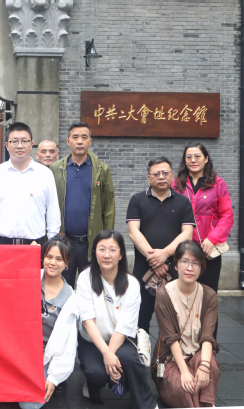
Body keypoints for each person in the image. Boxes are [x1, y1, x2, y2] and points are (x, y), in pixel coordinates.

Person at [76, 230, 157, 409]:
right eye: (102, 249)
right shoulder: (85, 278)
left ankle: (146, 404)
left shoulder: (131, 284)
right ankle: (93, 384)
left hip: (121, 339)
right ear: (94, 252)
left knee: (129, 359)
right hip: (92, 340)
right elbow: (88, 321)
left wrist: (109, 355)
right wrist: (107, 354)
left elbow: (124, 326)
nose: (107, 255)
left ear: (121, 255)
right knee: (96, 373)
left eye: (112, 250)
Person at [127, 157, 195, 333]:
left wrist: (164, 254)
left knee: (175, 320)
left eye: (165, 173)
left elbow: (187, 234)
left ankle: (169, 352)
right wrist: (155, 260)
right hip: (144, 269)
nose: (161, 177)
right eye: (156, 174)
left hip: (175, 269)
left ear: (172, 176)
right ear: (149, 178)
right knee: (140, 318)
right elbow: (133, 232)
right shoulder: (137, 200)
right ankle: (141, 350)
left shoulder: (183, 202)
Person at [152, 240, 220, 408]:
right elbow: (170, 338)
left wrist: (204, 367)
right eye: (185, 261)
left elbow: (208, 336)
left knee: (210, 367)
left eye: (196, 263)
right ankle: (203, 405)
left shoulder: (209, 295)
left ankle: (204, 404)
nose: (190, 268)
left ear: (202, 268)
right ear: (176, 265)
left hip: (197, 354)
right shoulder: (164, 294)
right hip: (171, 359)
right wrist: (184, 371)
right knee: (183, 388)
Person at [50, 121, 115, 287]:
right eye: (75, 137)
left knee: (92, 287)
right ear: (68, 141)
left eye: (84, 137)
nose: (79, 141)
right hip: (64, 241)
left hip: (91, 243)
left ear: (90, 141)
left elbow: (108, 207)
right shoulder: (56, 169)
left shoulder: (101, 170)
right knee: (63, 287)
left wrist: (107, 239)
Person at [19, 236, 78, 409]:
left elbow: (67, 343)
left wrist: (54, 378)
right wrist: (24, 255)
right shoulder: (30, 276)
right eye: (49, 257)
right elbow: (2, 273)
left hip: (44, 354)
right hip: (20, 347)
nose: (52, 263)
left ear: (67, 263)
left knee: (29, 405)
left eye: (59, 259)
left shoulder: (70, 297)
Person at [0, 122, 61, 253]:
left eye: (24, 141)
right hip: (1, 245)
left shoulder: (45, 174)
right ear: (7, 145)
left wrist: (51, 244)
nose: (19, 145)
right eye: (14, 141)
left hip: (35, 245)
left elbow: (53, 212)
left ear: (31, 144)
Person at [171, 142, 234, 293]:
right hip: (182, 249)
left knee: (207, 294)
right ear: (185, 161)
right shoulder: (176, 185)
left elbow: (226, 216)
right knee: (182, 294)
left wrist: (212, 239)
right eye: (189, 157)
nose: (193, 160)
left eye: (197, 156)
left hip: (208, 250)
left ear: (206, 159)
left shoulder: (217, 184)